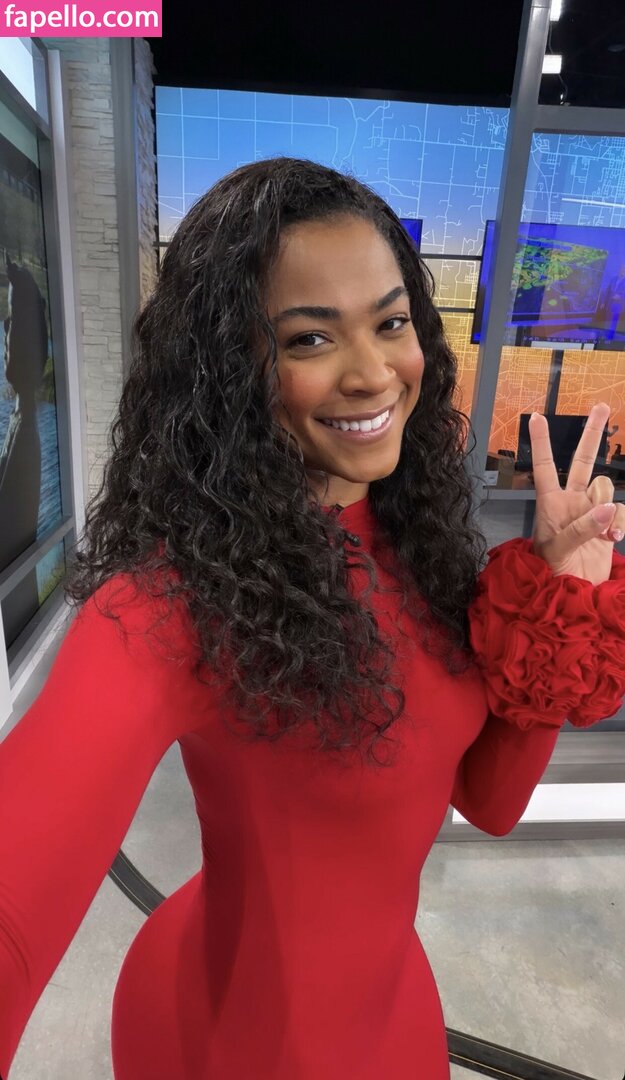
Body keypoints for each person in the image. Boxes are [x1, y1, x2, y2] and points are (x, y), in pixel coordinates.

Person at [2, 157, 625, 1080]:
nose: (372, 374)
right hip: (221, 1039)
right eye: (308, 339)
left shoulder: (424, 546)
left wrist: (559, 596)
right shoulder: (170, 602)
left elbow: (489, 805)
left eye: (390, 323)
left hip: (393, 1009)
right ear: (228, 369)